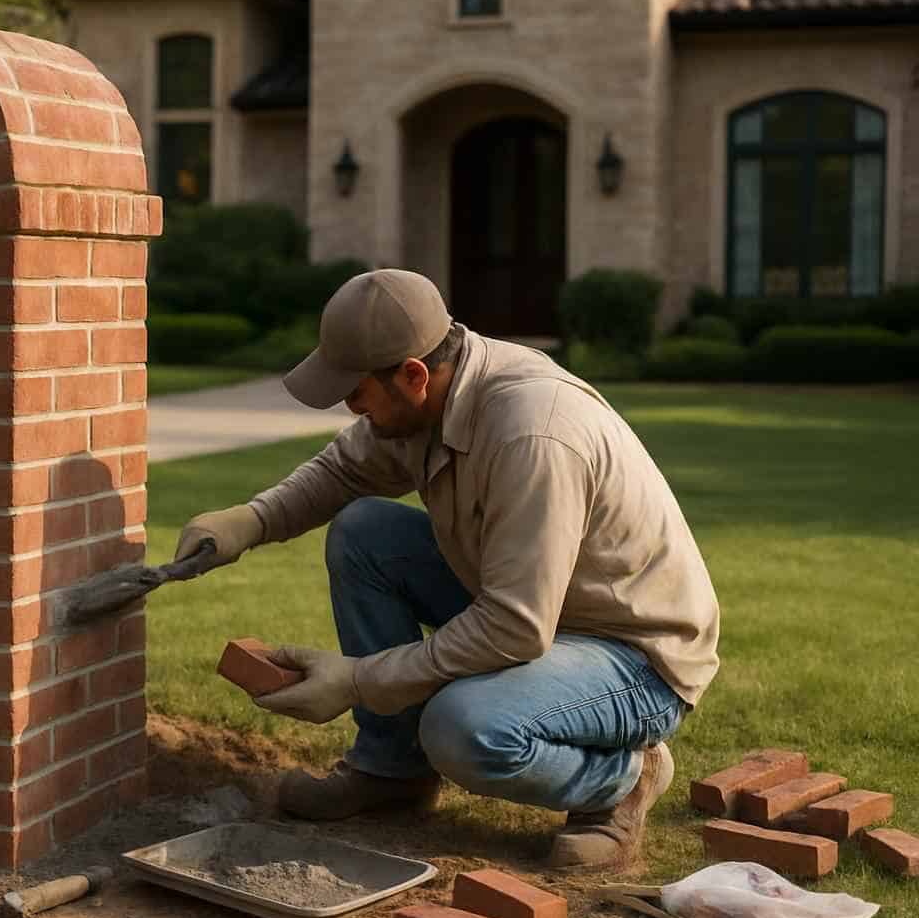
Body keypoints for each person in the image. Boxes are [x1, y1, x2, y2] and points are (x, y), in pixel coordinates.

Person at [174, 269, 720, 872]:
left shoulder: (532, 433)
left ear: (413, 374)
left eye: (356, 393)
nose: (350, 408)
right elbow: (343, 472)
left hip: (632, 654)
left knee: (462, 727)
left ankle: (624, 775)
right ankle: (392, 769)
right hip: (537, 606)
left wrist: (358, 680)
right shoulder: (428, 398)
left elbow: (514, 626)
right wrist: (250, 521)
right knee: (364, 533)